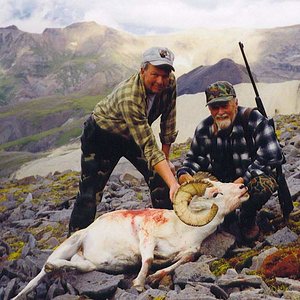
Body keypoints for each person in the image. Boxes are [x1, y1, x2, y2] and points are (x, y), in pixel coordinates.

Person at [69, 46, 180, 234]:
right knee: (90, 193)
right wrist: (174, 184)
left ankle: (168, 230)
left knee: (161, 178)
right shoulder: (129, 96)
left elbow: (168, 120)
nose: (160, 80)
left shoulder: (170, 83)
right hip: (101, 137)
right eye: (155, 74)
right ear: (142, 70)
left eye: (165, 74)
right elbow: (149, 146)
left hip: (132, 136)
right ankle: (74, 242)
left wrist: (167, 161)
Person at [177, 81, 283, 241]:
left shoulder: (253, 119)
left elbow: (272, 155)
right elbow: (194, 159)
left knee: (263, 184)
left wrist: (242, 180)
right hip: (222, 186)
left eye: (224, 105)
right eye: (214, 107)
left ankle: (247, 217)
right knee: (198, 184)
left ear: (235, 102)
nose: (220, 112)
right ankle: (226, 217)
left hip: (248, 182)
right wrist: (184, 174)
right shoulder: (204, 129)